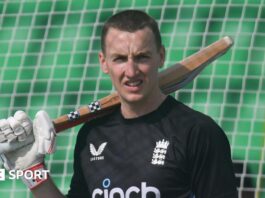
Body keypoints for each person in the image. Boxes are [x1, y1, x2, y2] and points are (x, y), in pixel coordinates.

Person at [0, 10, 238, 198]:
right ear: (104, 63)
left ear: (161, 56)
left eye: (142, 57)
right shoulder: (92, 134)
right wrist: (32, 172)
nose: (131, 71)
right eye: (120, 59)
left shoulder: (198, 132)